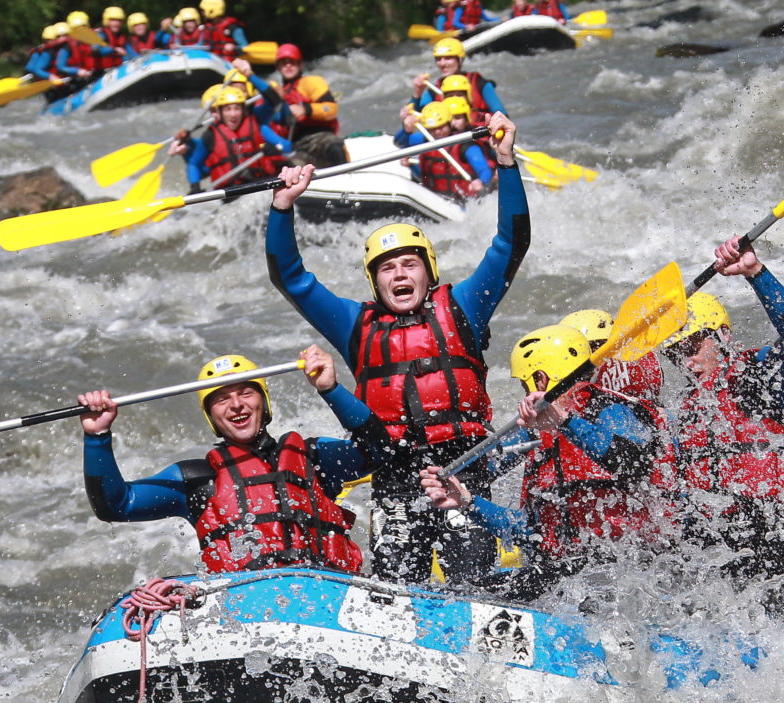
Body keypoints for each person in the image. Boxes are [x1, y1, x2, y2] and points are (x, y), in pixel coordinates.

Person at [266, 110, 528, 584]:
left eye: (410, 264)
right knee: (397, 589)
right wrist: (283, 207)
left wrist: (506, 163)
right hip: (393, 472)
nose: (400, 274)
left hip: (465, 467)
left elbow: (510, 243)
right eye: (387, 268)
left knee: (474, 580)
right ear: (374, 281)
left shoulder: (465, 306)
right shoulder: (353, 323)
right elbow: (292, 278)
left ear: (429, 271)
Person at [419, 324, 669, 599]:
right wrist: (468, 502)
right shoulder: (544, 439)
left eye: (523, 384)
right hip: (564, 575)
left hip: (624, 573)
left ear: (540, 379)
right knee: (460, 595)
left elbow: (636, 464)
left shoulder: (607, 409)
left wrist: (565, 422)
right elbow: (533, 533)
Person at [78, 347, 368, 575]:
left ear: (263, 402)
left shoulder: (316, 458)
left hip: (328, 594)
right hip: (244, 609)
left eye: (245, 392)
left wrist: (330, 389)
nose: (236, 405)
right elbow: (116, 505)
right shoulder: (197, 480)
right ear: (211, 416)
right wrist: (97, 435)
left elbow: (377, 451)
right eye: (221, 399)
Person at [659, 237, 784, 583]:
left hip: (781, 534)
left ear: (723, 336)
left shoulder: (755, 378)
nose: (688, 360)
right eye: (677, 352)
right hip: (714, 541)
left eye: (695, 345)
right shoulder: (684, 409)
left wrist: (755, 272)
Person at [171, 84, 291, 192]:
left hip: (262, 184)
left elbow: (288, 146)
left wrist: (275, 149)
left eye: (236, 108)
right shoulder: (210, 136)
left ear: (243, 110)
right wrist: (195, 186)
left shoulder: (255, 124)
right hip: (232, 193)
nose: (233, 114)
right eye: (227, 109)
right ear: (220, 112)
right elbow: (196, 165)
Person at [397, 99, 493, 200]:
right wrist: (411, 164)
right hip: (432, 198)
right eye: (433, 129)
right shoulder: (425, 140)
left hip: (460, 201)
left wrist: (481, 181)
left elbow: (485, 170)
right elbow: (400, 143)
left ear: (449, 123)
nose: (438, 132)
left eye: (441, 127)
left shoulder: (464, 146)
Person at [269, 43, 346, 168]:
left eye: (292, 62)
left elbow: (331, 109)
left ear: (300, 65)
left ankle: (346, 175)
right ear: (278, 67)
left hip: (319, 138)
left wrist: (305, 109)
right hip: (297, 147)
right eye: (284, 63)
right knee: (287, 166)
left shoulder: (311, 82)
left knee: (333, 145)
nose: (288, 65)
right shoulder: (278, 92)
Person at [411, 38, 505, 117]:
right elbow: (414, 116)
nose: (442, 63)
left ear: (460, 60)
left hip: (478, 135)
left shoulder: (479, 83)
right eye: (438, 59)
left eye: (448, 58)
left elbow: (502, 115)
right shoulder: (434, 90)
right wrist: (418, 92)